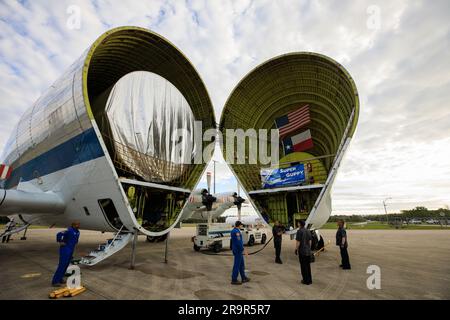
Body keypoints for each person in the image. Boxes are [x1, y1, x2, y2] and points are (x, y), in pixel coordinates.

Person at [52, 221, 80, 287]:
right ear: (73, 225)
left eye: (79, 224)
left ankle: (60, 278)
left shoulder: (78, 232)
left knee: (66, 265)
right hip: (65, 249)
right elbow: (59, 234)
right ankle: (55, 281)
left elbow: (75, 240)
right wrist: (60, 241)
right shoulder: (69, 230)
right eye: (77, 224)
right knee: (62, 265)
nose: (78, 225)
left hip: (71, 249)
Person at [230, 221, 250, 285]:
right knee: (237, 265)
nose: (242, 226)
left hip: (238, 250)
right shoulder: (236, 232)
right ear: (239, 225)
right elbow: (238, 242)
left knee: (241, 265)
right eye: (241, 225)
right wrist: (243, 250)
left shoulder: (235, 230)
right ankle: (234, 279)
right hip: (238, 250)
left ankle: (243, 278)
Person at [295, 220, 312, 285]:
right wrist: (309, 248)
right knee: (308, 266)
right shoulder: (308, 230)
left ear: (299, 224)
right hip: (308, 251)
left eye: (298, 223)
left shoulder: (299, 231)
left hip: (302, 251)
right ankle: (309, 280)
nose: (297, 223)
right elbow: (310, 241)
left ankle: (306, 280)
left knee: (303, 266)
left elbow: (298, 242)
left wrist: (296, 249)